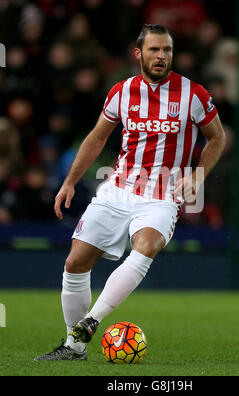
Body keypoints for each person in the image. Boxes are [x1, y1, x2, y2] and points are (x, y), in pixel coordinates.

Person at [34, 24, 226, 361]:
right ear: (138, 53)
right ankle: (73, 347)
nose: (161, 56)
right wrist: (69, 181)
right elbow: (97, 138)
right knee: (75, 261)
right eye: (154, 50)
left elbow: (217, 137)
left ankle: (92, 320)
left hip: (163, 194)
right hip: (119, 187)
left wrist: (198, 175)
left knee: (146, 245)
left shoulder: (193, 94)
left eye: (166, 50)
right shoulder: (122, 91)